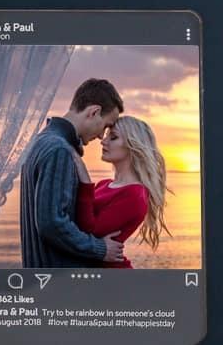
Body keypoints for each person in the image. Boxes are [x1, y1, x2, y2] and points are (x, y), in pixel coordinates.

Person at [20, 78, 126, 267]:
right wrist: (100, 249)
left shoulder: (42, 141)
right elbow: (52, 224)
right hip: (59, 278)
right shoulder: (59, 150)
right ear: (94, 112)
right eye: (105, 126)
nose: (101, 136)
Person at [72, 115, 170, 268]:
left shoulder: (135, 195)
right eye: (106, 136)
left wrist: (85, 181)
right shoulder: (104, 184)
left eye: (113, 137)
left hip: (112, 277)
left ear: (132, 145)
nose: (103, 141)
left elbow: (89, 232)